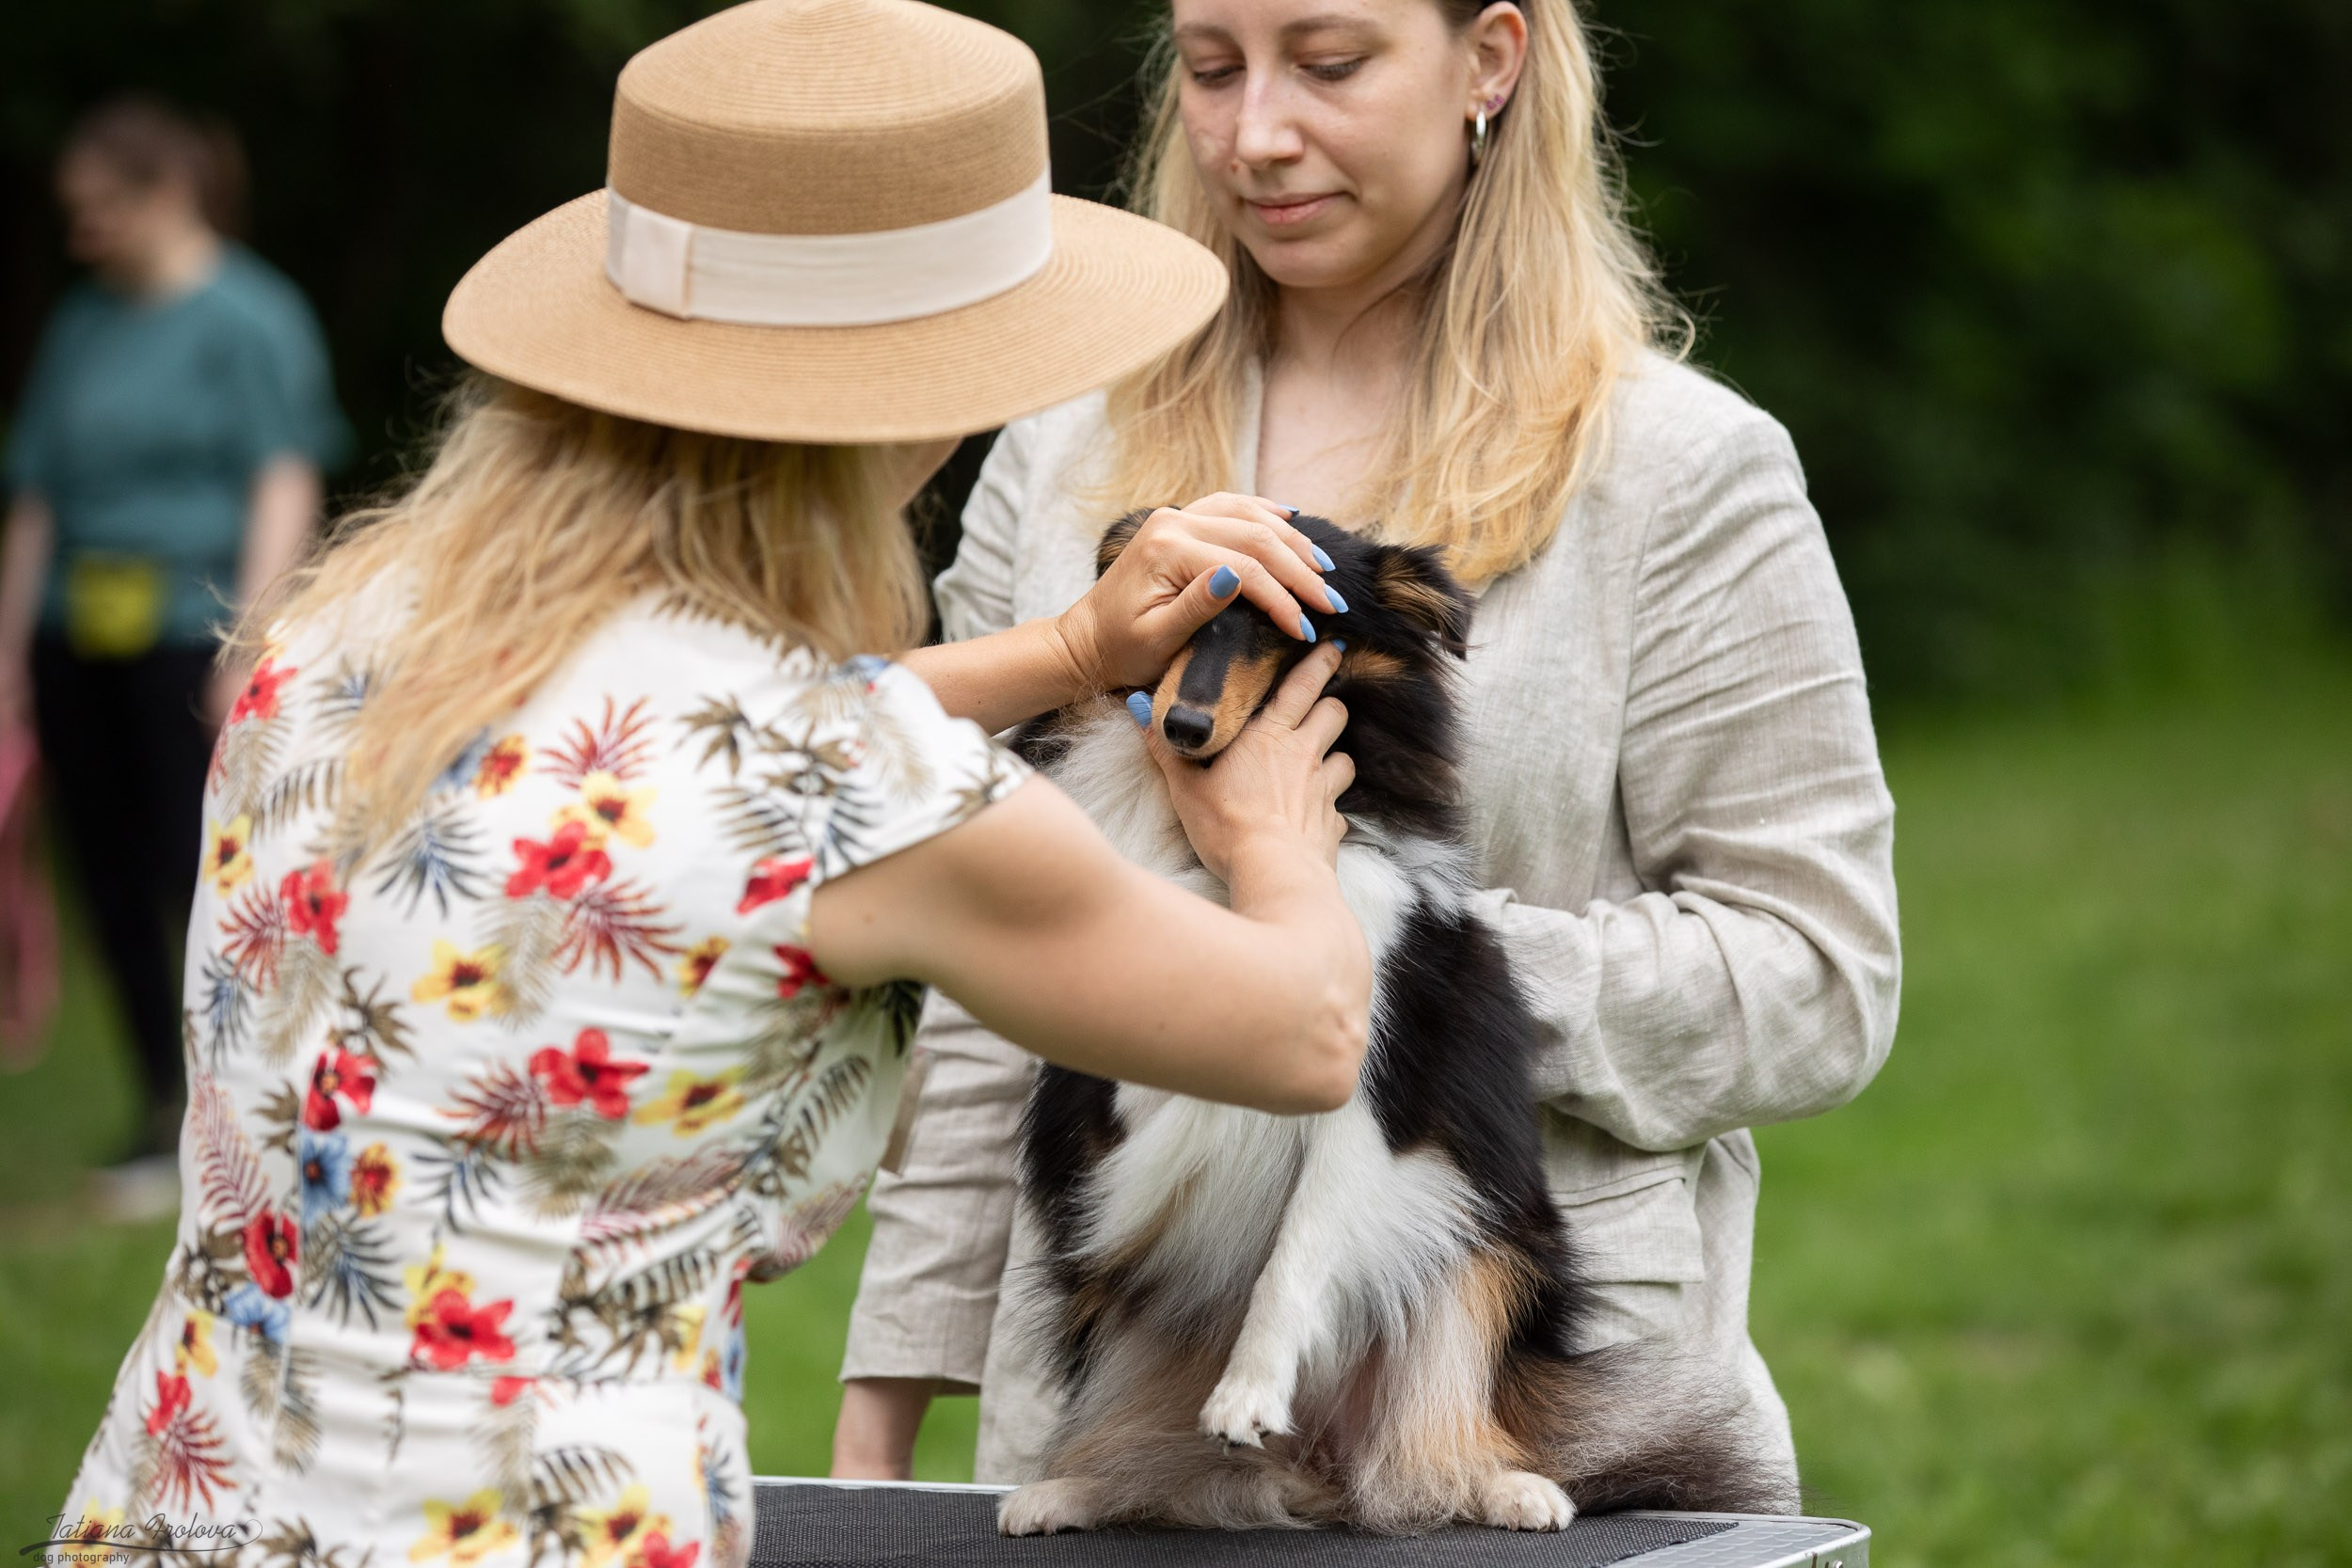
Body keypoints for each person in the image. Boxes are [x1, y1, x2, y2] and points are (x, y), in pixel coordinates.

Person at [53, 3, 1378, 1560]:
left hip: (176, 1501)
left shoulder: (350, 631)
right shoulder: (848, 787)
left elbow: (658, 761)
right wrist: (1278, 834)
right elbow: (1305, 1028)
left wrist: (1070, 648)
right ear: (917, 390)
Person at [832, 0, 1902, 1498]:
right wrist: (882, 1414)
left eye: (1329, 64)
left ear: (1492, 59)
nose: (1256, 134)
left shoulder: (1682, 472)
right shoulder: (1065, 453)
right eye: (1212, 69)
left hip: (1486, 1420)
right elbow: (977, 959)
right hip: (1131, 1428)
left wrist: (1390, 960)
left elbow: (1821, 978)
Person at [1, 97, 348, 1212]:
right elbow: (36, 492)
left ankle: (249, 1108)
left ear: (165, 194)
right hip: (74, 635)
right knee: (106, 879)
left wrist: (249, 638)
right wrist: (9, 653)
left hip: (188, 637)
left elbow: (284, 478)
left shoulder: (255, 316)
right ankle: (162, 1108)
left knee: (199, 874)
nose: (81, 231)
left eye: (99, 207)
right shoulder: (84, 322)